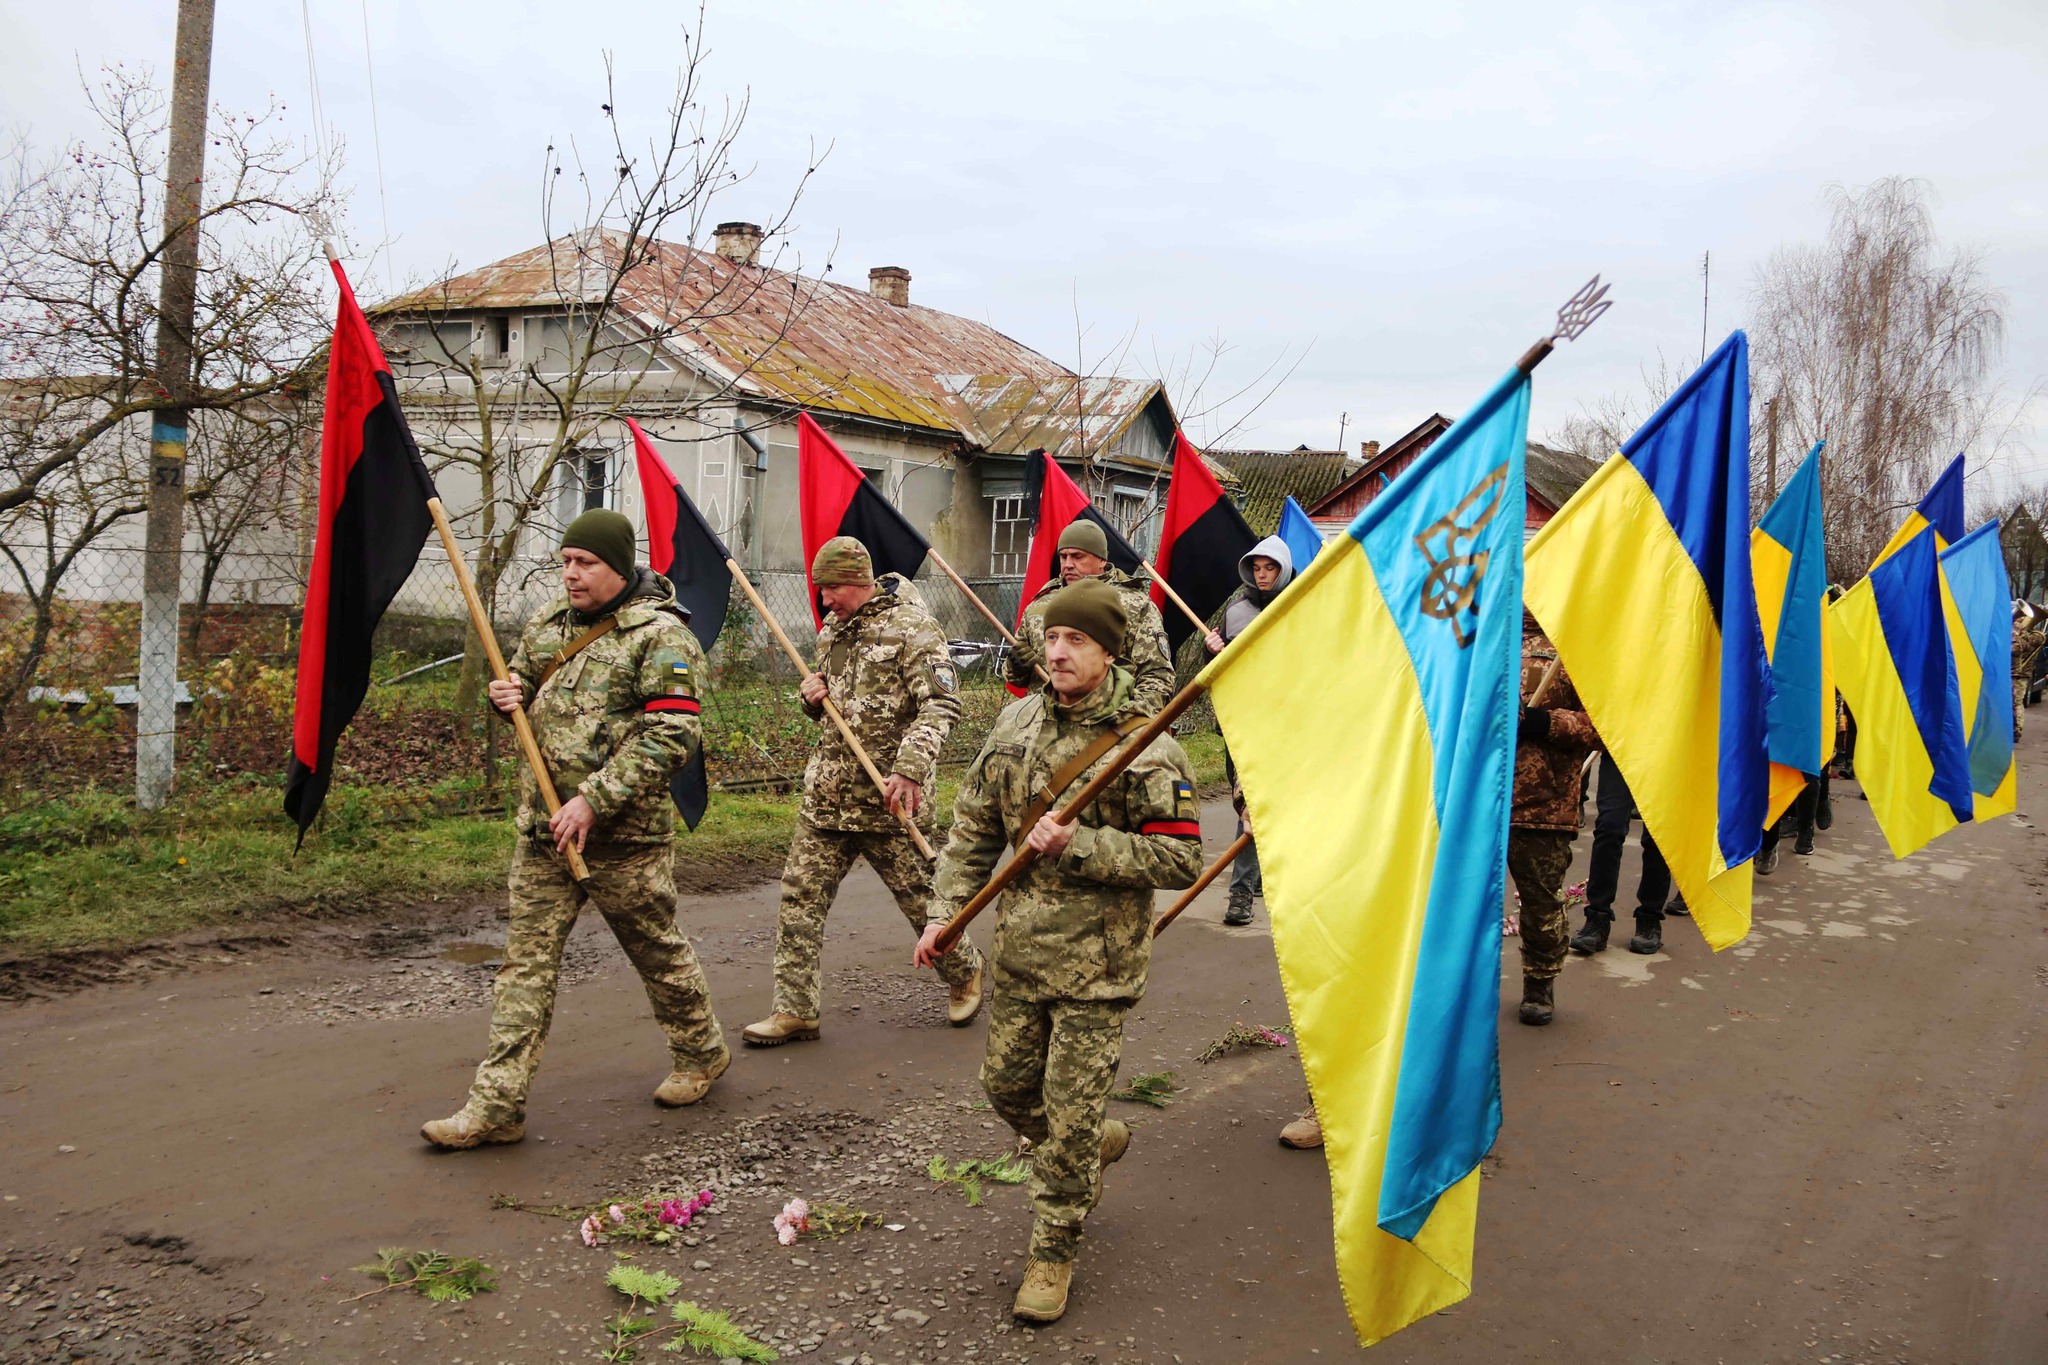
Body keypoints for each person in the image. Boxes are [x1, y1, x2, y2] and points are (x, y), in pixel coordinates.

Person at [915, 577, 1203, 1323]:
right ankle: (1090, 1143)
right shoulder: (1013, 723)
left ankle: (1053, 1248)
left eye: (1076, 639)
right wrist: (942, 914)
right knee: (1008, 1090)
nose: (1058, 651)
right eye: (1050, 638)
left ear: (1109, 652)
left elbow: (1178, 859)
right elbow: (973, 829)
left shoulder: (1149, 742)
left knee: (1067, 1120)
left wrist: (1083, 844)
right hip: (1021, 954)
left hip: (1099, 967)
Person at [423, 510, 728, 1149]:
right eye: (564, 562)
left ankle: (700, 1051)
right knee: (524, 967)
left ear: (618, 567)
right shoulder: (547, 625)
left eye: (584, 563)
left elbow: (673, 734)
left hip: (624, 839)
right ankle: (496, 1108)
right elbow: (521, 686)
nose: (570, 574)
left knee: (656, 951)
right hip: (544, 833)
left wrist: (593, 800)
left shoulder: (662, 639)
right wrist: (503, 697)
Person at [742, 536, 985, 1047]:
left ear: (856, 581)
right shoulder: (831, 631)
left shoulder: (914, 629)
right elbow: (833, 705)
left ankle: (964, 970)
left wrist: (910, 769)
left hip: (892, 800)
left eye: (829, 589)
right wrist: (813, 697)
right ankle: (795, 1009)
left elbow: (941, 707)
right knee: (799, 902)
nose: (823, 601)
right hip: (828, 797)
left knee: (922, 902)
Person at [1510, 613, 1598, 1026]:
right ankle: (1457, 986)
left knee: (1541, 903)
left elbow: (1604, 725)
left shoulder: (1575, 644)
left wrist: (1546, 722)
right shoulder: (1479, 631)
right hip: (1473, 798)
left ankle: (1539, 984)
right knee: (1457, 901)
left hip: (1541, 803)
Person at [1203, 536, 1295, 926]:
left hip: (1283, 723)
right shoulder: (1236, 610)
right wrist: (1212, 650)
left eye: (1269, 568)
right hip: (1239, 719)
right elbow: (1214, 671)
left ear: (1283, 570)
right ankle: (1257, 875)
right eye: (1256, 568)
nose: (1262, 575)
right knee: (1247, 801)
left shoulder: (1298, 606)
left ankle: (1241, 893)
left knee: (1254, 804)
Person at [1005, 520, 1176, 715]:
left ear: (1102, 560)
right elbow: (1015, 678)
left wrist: (1128, 719)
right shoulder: (1039, 607)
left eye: (1078, 557)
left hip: (1108, 727)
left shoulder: (1135, 606)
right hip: (1046, 726)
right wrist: (1016, 666)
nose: (1068, 564)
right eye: (1063, 556)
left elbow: (1157, 677)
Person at [1571, 758, 1673, 955]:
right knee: (1608, 828)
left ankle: (1649, 919)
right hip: (1621, 745)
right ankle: (1597, 919)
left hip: (1667, 749)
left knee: (1657, 836)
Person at [2014, 603, 2044, 740]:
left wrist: (2017, 631)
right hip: (2010, 672)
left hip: (2020, 675)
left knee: (2016, 702)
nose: (2021, 620)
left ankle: (2016, 730)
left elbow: (2017, 648)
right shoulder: (2019, 633)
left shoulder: (2037, 636)